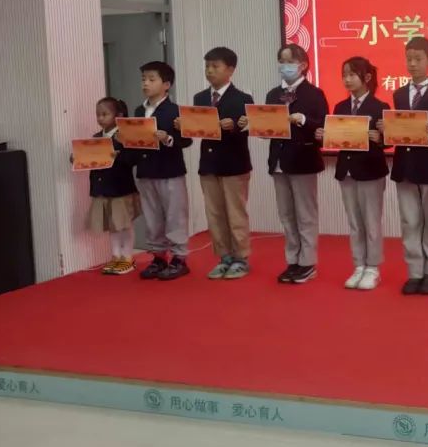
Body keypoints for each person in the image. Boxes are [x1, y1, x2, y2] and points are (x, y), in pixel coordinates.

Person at [379, 37, 428, 296]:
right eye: (409, 59)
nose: (413, 64)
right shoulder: (399, 94)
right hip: (405, 165)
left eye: (418, 59)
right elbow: (398, 130)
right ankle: (415, 271)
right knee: (410, 222)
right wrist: (387, 129)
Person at [316, 56, 389, 291]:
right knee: (355, 222)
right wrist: (324, 136)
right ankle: (359, 265)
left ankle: (373, 268)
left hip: (371, 171)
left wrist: (381, 138)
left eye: (352, 75)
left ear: (366, 77)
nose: (347, 80)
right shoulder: (340, 107)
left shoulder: (380, 107)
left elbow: (390, 140)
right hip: (346, 170)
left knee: (371, 222)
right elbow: (337, 137)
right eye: (344, 75)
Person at [181, 47, 253, 280]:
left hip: (234, 164)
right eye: (207, 66)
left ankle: (241, 258)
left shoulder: (243, 99)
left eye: (215, 66)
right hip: (209, 164)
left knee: (235, 213)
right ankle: (224, 258)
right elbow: (197, 129)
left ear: (230, 70)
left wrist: (234, 128)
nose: (209, 71)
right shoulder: (200, 98)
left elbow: (249, 130)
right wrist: (186, 125)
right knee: (214, 214)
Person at [257, 44, 327, 284]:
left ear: (303, 65)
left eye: (289, 61)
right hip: (278, 161)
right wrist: (259, 128)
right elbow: (267, 125)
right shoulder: (272, 94)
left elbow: (324, 126)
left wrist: (304, 120)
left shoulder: (314, 94)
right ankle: (293, 261)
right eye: (281, 61)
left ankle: (307, 262)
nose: (283, 66)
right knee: (286, 215)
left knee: (305, 215)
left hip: (303, 160)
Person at [134, 61, 193, 280]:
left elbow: (186, 140)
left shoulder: (175, 111)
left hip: (170, 170)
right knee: (152, 217)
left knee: (175, 215)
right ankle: (158, 257)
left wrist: (167, 138)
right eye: (143, 79)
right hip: (145, 170)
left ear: (166, 85)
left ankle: (179, 258)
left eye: (152, 79)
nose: (146, 84)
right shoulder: (139, 111)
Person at [81, 98, 140, 275]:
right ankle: (115, 256)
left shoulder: (123, 136)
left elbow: (132, 160)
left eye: (105, 114)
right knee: (112, 225)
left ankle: (127, 257)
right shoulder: (96, 138)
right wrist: (78, 158)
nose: (100, 118)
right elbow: (90, 160)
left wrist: (118, 155)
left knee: (123, 224)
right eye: (98, 114)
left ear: (117, 115)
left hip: (120, 188)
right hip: (102, 188)